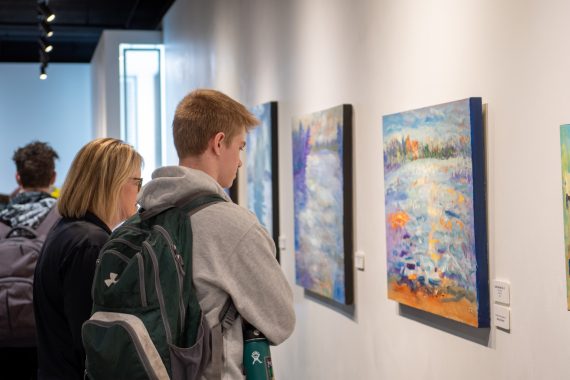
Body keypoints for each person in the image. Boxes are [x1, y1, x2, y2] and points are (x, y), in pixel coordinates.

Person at [137, 89, 295, 379]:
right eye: (241, 147)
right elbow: (280, 319)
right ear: (219, 143)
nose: (240, 161)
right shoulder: (233, 226)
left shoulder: (143, 214)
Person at [33, 138, 142, 380]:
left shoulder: (68, 230)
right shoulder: (90, 244)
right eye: (137, 182)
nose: (140, 192)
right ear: (113, 184)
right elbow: (93, 339)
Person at [0, 141, 59, 380]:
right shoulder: (63, 218)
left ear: (17, 177)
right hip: (45, 337)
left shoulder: (2, 216)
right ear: (53, 177)